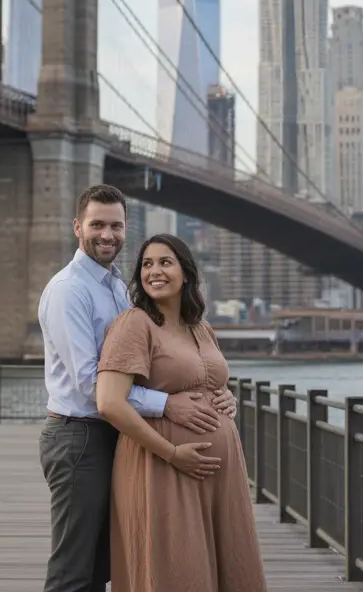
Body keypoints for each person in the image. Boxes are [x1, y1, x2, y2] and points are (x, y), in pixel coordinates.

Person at [38, 185, 238, 592]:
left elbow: (146, 366)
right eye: (97, 225)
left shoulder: (116, 287)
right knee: (74, 568)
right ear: (78, 227)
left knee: (104, 564)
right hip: (80, 438)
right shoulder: (69, 289)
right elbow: (92, 383)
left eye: (116, 225)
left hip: (117, 436)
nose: (107, 234)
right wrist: (167, 405)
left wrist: (218, 395)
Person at [96, 233, 268, 592]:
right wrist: (173, 453)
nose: (154, 271)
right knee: (178, 567)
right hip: (162, 466)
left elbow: (208, 378)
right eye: (146, 264)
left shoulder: (202, 327)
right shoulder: (135, 323)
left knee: (229, 563)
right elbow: (110, 402)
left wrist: (227, 397)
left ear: (186, 273)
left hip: (218, 474)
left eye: (165, 262)